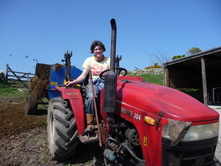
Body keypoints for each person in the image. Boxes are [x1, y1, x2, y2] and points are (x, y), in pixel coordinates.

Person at [66, 40, 110, 129]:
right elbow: (83, 75)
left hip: (106, 83)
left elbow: (115, 73)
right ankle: (90, 122)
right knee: (91, 97)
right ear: (92, 51)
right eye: (95, 49)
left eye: (100, 49)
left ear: (103, 50)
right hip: (93, 83)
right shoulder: (89, 60)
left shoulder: (109, 60)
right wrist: (74, 81)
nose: (98, 51)